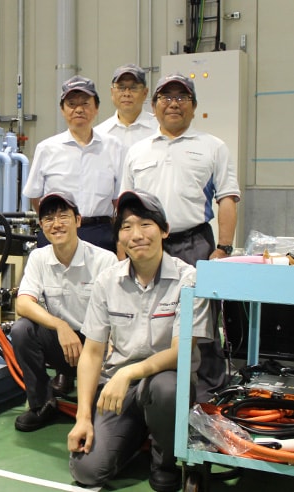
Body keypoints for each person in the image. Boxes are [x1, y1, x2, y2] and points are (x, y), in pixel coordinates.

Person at [67, 190, 212, 492]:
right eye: (126, 227)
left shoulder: (189, 279)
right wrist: (83, 418)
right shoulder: (108, 281)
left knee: (166, 387)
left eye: (146, 224)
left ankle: (165, 461)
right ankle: (136, 436)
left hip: (163, 385)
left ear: (164, 230)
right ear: (119, 237)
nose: (137, 234)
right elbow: (92, 353)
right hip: (120, 392)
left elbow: (181, 351)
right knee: (88, 472)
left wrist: (128, 371)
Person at [120, 72, 241, 402]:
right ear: (154, 106)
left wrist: (223, 248)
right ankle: (157, 389)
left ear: (194, 106)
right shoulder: (137, 151)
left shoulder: (212, 147)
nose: (173, 104)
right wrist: (123, 253)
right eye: (165, 98)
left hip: (194, 244)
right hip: (146, 245)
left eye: (181, 97)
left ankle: (207, 396)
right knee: (149, 318)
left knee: (201, 325)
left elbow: (227, 197)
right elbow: (125, 206)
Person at [11, 191, 117, 432]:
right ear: (41, 226)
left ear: (78, 220)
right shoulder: (39, 257)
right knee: (22, 330)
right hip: (64, 346)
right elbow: (23, 304)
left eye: (63, 216)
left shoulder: (104, 260)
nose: (56, 224)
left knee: (106, 423)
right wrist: (60, 325)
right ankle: (42, 404)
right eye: (48, 218)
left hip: (100, 349)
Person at [23, 75, 125, 252]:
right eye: (71, 104)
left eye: (85, 103)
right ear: (62, 110)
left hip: (101, 234)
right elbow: (35, 196)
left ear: (96, 108)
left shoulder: (114, 147)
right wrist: (55, 223)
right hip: (58, 233)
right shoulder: (47, 148)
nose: (79, 109)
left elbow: (118, 199)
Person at [95, 63, 158, 148]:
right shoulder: (99, 134)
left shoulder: (159, 129)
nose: (127, 94)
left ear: (145, 93)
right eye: (121, 88)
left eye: (133, 88)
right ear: (112, 92)